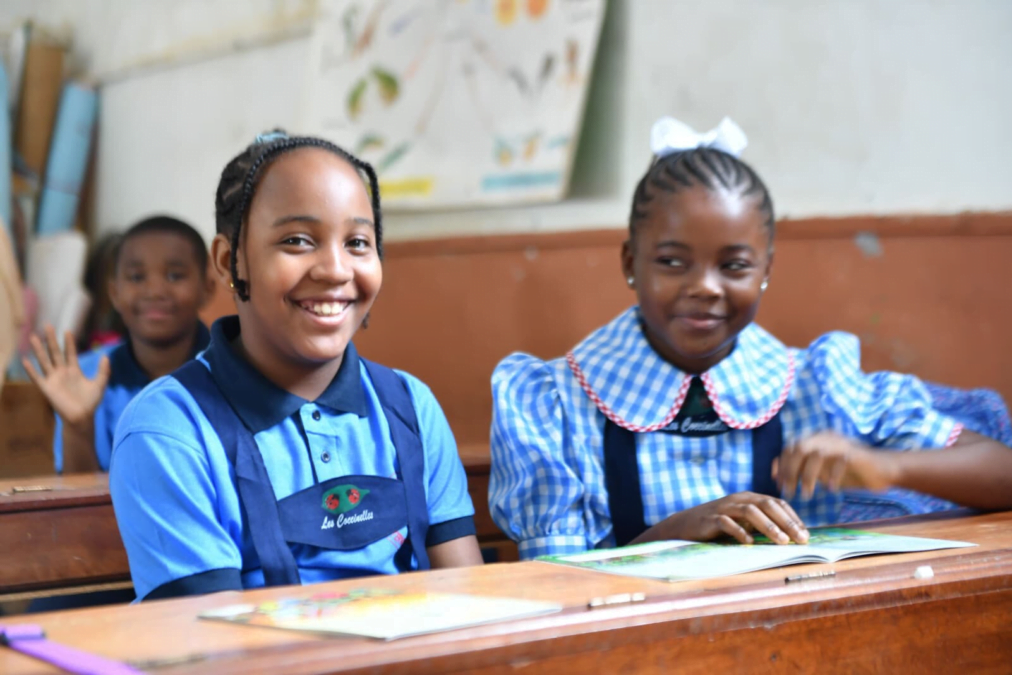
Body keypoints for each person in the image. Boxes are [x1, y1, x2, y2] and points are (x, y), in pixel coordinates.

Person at [489, 116, 1012, 559]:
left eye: (734, 265)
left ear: (766, 269)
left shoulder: (819, 387)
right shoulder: (556, 404)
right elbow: (552, 583)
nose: (704, 288)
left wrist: (885, 465)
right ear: (631, 262)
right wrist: (679, 533)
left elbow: (1001, 471)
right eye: (672, 262)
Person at [110, 131, 483, 601]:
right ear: (230, 262)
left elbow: (470, 604)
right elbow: (209, 650)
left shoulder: (409, 406)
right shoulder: (168, 431)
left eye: (358, 242)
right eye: (297, 240)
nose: (335, 270)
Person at [24, 216, 213, 474]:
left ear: (207, 289)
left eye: (174, 275)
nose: (155, 290)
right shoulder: (85, 375)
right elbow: (79, 498)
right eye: (136, 277)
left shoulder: (232, 372)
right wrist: (78, 426)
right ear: (114, 293)